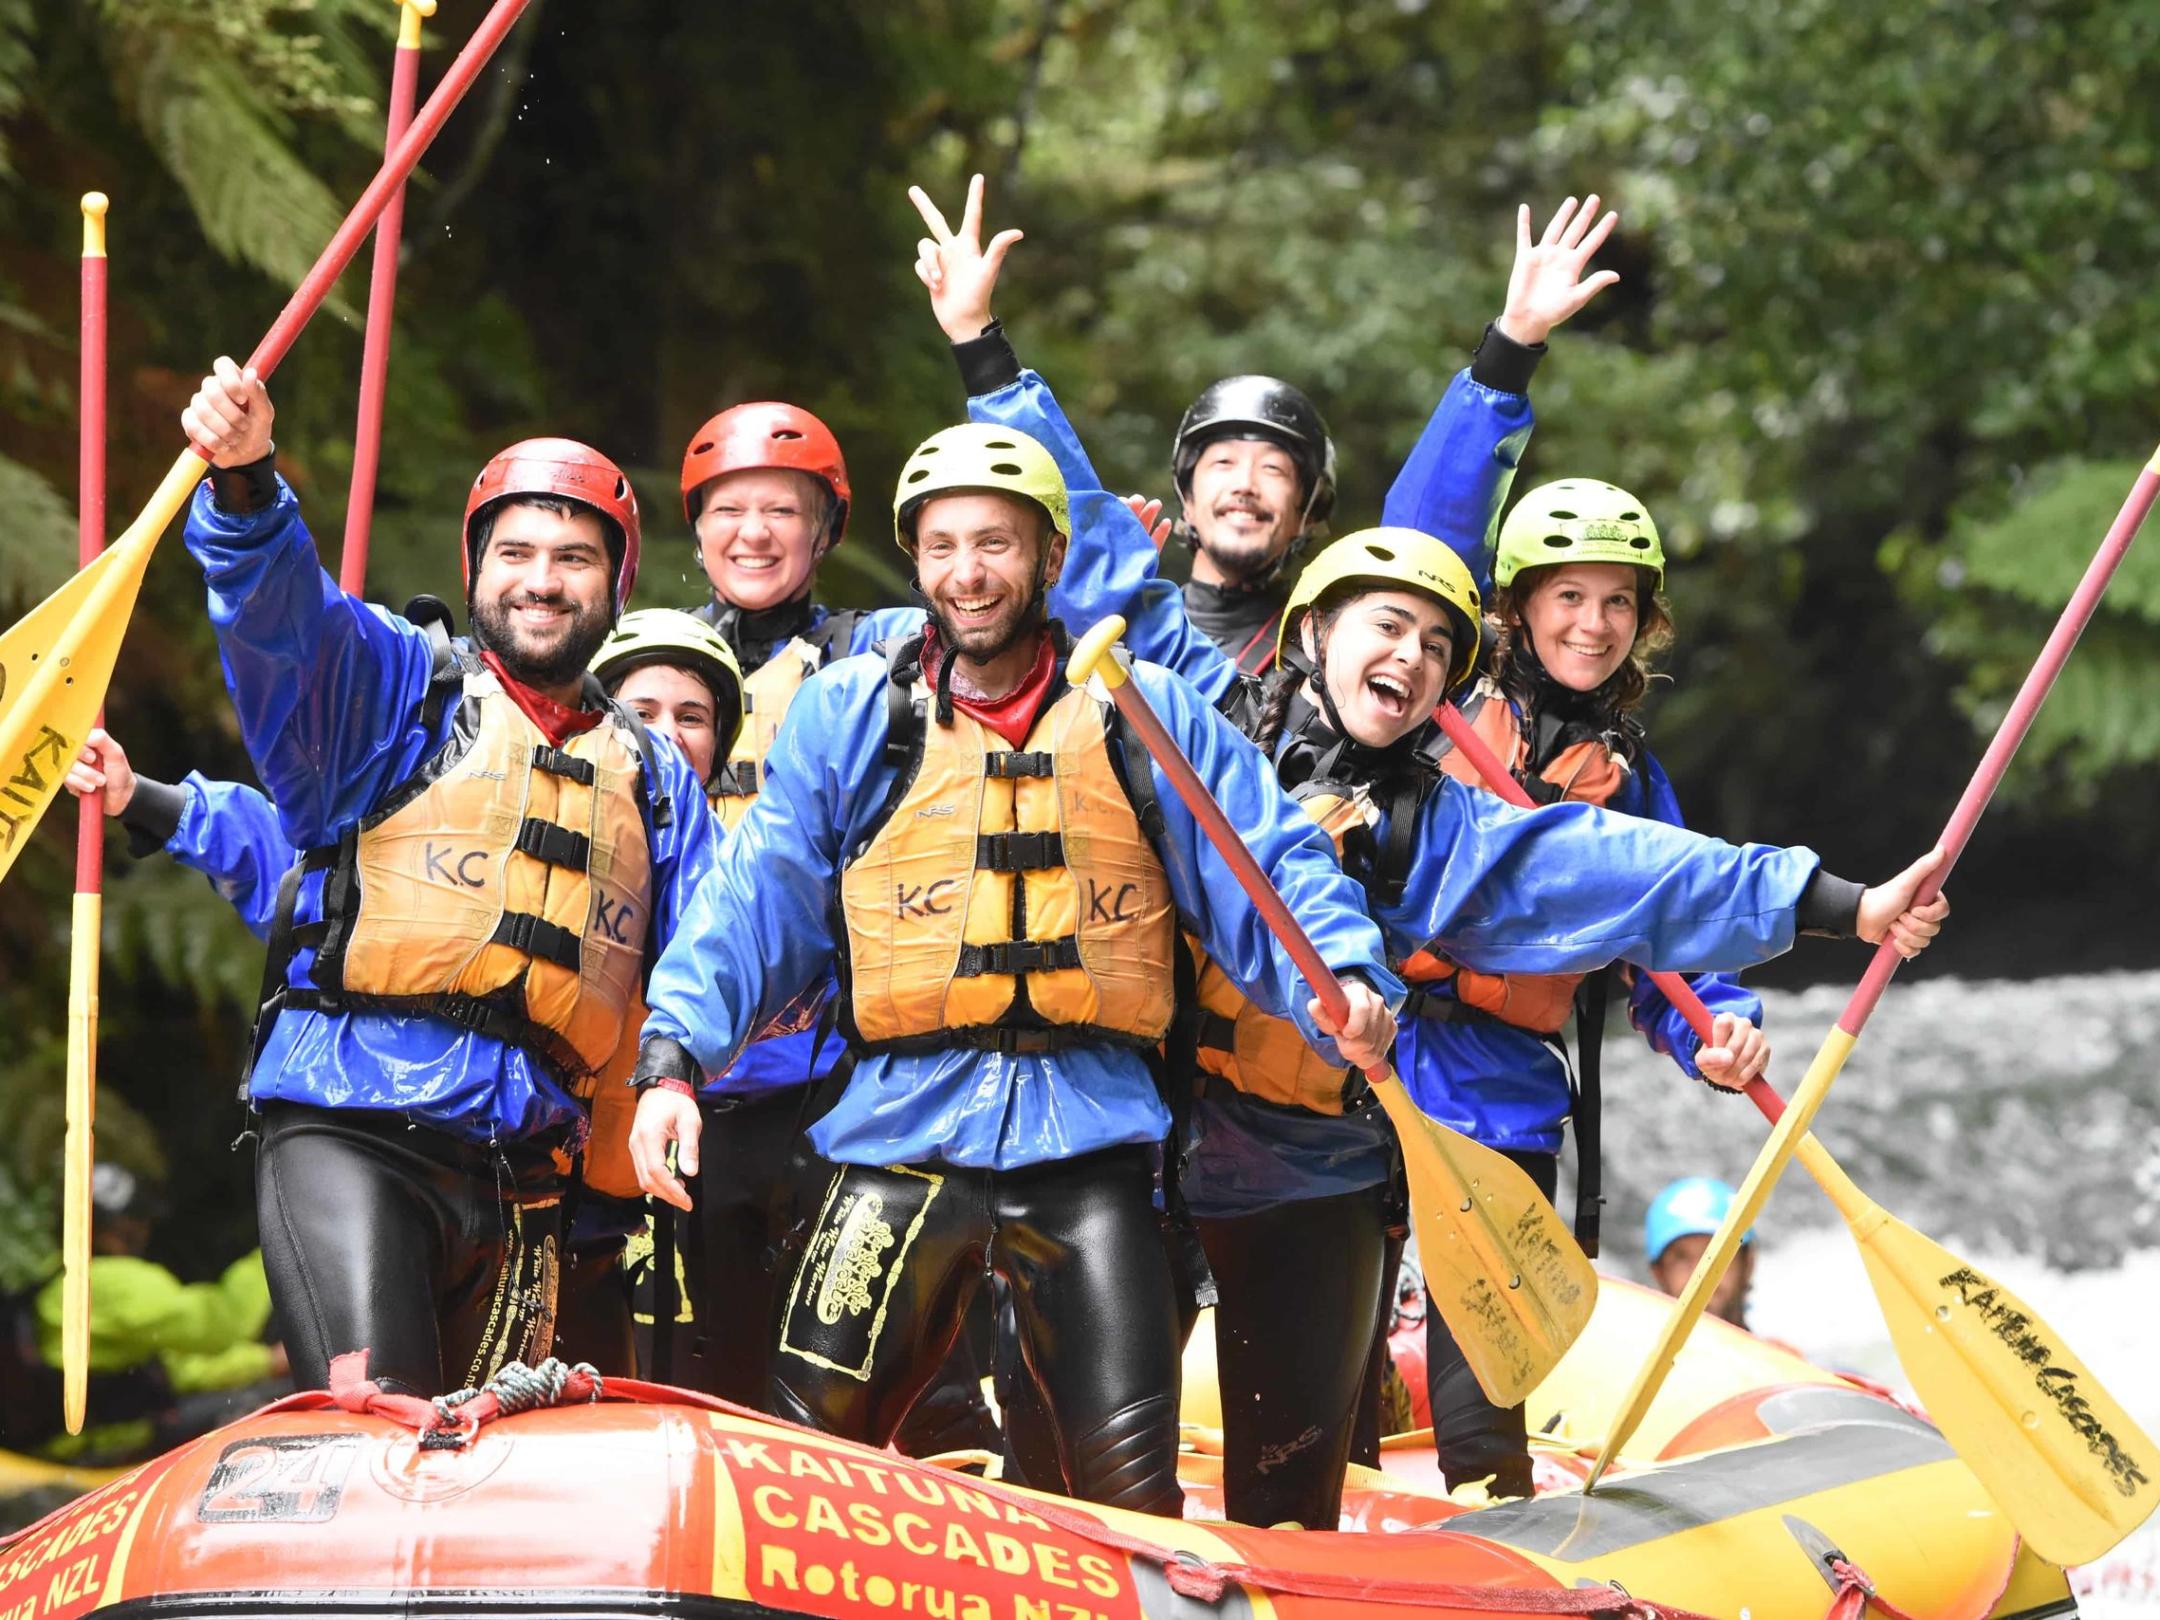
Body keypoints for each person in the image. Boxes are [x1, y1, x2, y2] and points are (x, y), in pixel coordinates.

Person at [910, 177, 1950, 1524]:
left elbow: (1634, 873)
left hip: (1317, 1159)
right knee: (1069, 1477)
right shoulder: (1182, 696)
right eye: (1374, 627)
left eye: (1427, 642)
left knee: (1296, 1507)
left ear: (1453, 674)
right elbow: (1087, 544)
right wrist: (984, 356)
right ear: (1312, 636)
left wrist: (1843, 904)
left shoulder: (1448, 822)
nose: (1397, 652)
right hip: (1145, 1132)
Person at [626, 420, 1403, 1516]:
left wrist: (1345, 984)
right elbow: (754, 906)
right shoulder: (857, 717)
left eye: (994, 543)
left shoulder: (1143, 713)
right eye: (941, 546)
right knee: (798, 1464)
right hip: (898, 1144)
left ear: (1046, 558)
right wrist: (672, 1061)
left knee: (1128, 1492)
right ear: (914, 561)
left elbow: (1269, 864)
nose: (967, 573)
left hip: (1088, 1150)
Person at [178, 359, 718, 1397]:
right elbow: (280, 619)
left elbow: (724, 946)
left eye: (574, 556)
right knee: (388, 1437)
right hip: (352, 1131)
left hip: (530, 1176)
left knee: (498, 1486)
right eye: (514, 552)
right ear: (475, 569)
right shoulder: (397, 690)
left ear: (619, 582)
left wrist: (674, 1071)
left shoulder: (652, 778)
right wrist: (246, 485)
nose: (543, 578)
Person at [672, 403, 923, 1407]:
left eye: (783, 509)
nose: (754, 532)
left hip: (840, 1076)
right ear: (697, 531)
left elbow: (994, 622)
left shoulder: (883, 652)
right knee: (715, 1366)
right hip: (697, 1078)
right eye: (730, 510)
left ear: (824, 531)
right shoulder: (652, 663)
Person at [0, 1164, 285, 1465]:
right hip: (100, 1451)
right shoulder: (115, 1283)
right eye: (140, 1219)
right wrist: (279, 1246)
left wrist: (267, 1362)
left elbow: (174, 1372)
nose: (147, 1228)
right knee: (273, 1399)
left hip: (57, 1447)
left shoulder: (58, 1279)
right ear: (123, 1227)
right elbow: (226, 1324)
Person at [1645, 1176, 1755, 1328]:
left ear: (1747, 1264)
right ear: (1659, 1273)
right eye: (1681, 1258)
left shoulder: (1775, 1352)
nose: (1700, 1275)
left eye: (1717, 1254)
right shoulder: (1627, 1349)